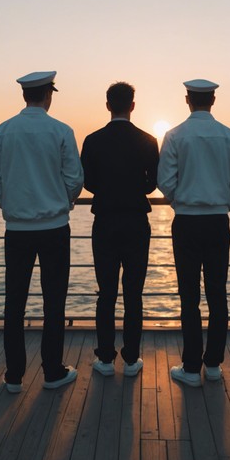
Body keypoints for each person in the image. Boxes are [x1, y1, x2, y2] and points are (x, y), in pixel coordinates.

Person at [0, 71, 84, 393]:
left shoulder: (2, 131)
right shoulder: (61, 130)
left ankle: (14, 375)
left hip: (16, 229)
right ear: (49, 94)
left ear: (24, 95)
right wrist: (64, 201)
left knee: (14, 302)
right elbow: (74, 179)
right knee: (53, 302)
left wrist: (9, 204)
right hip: (54, 226)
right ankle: (52, 371)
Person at [158, 79, 230, 387]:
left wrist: (182, 198)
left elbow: (165, 181)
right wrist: (222, 199)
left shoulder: (175, 136)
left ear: (188, 99)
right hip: (218, 221)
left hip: (186, 221)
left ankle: (191, 365)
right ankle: (213, 364)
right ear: (213, 100)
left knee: (189, 296)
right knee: (217, 293)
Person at [80, 82, 159, 378]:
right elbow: (153, 183)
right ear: (133, 105)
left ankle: (104, 358)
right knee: (133, 293)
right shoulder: (148, 140)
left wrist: (107, 188)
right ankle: (131, 358)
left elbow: (87, 181)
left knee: (106, 293)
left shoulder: (93, 140)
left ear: (107, 105)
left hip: (105, 221)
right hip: (137, 220)